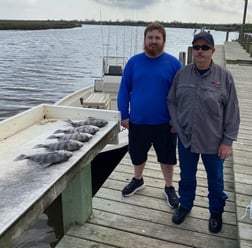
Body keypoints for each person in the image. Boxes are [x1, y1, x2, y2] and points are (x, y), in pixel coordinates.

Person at [168, 31, 240, 233]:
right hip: (186, 139)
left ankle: (216, 212)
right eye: (196, 47)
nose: (200, 51)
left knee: (215, 180)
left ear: (213, 51)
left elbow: (232, 111)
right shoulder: (181, 74)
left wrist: (227, 141)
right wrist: (176, 121)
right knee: (187, 176)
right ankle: (185, 205)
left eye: (205, 48)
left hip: (214, 141)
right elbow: (171, 101)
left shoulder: (225, 77)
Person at [117, 22, 182, 208]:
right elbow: (124, 90)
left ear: (163, 40)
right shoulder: (134, 62)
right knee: (137, 155)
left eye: (157, 38)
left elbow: (181, 95)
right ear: (145, 40)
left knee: (167, 158)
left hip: (165, 123)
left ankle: (169, 187)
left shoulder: (173, 64)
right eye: (150, 37)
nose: (153, 41)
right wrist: (124, 114)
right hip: (138, 121)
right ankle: (138, 180)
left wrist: (177, 120)